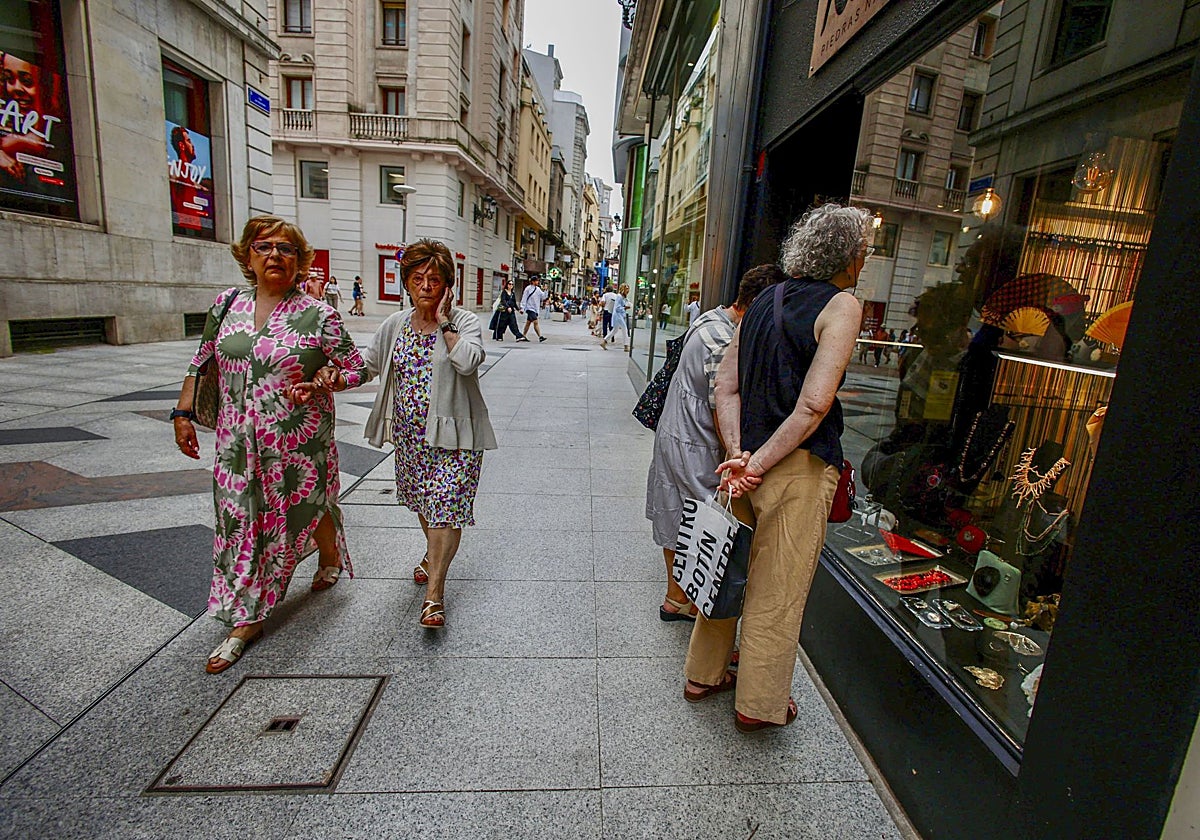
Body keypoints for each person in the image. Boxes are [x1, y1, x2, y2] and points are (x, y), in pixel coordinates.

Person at [685, 203, 868, 731]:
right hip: (796, 467)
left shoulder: (766, 297)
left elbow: (725, 386)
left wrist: (739, 456)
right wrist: (761, 463)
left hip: (742, 461)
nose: (864, 262)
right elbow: (813, 406)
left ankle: (703, 674)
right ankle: (759, 705)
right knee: (777, 589)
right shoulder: (842, 305)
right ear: (850, 258)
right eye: (864, 252)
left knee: (723, 565)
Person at [172, 215, 366, 674]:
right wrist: (181, 414)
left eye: (286, 248)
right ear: (248, 255)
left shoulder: (318, 314)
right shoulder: (227, 305)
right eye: (264, 246)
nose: (275, 255)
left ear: (300, 261)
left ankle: (327, 554)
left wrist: (327, 378)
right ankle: (249, 617)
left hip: (297, 442)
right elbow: (201, 362)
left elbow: (356, 368)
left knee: (304, 507)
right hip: (235, 442)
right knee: (242, 523)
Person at [319, 239, 497, 627]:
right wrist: (337, 379)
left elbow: (468, 362)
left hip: (456, 437)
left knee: (445, 507)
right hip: (410, 439)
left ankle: (434, 595)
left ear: (448, 284)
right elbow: (367, 366)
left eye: (435, 279)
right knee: (424, 504)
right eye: (418, 279)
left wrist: (445, 322)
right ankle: (433, 556)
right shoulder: (395, 324)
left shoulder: (464, 322)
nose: (426, 286)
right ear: (407, 283)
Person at [646, 265, 786, 621]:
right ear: (756, 305)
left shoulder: (710, 319)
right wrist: (737, 457)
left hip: (677, 432)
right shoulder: (723, 342)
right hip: (694, 442)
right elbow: (721, 410)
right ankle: (695, 603)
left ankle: (676, 598)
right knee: (705, 522)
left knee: (675, 513)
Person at [602, 284, 631, 351]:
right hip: (618, 316)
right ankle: (626, 346)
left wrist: (626, 306)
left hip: (619, 315)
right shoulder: (619, 296)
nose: (628, 290)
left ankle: (604, 342)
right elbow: (617, 308)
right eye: (626, 289)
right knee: (624, 329)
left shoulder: (623, 297)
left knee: (615, 330)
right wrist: (625, 308)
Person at [520, 276, 548, 342]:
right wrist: (522, 308)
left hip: (535, 309)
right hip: (529, 308)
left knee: (528, 323)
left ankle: (523, 335)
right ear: (533, 281)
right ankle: (540, 336)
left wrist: (545, 290)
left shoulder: (538, 289)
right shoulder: (528, 288)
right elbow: (524, 298)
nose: (538, 282)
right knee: (535, 322)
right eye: (536, 281)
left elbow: (543, 297)